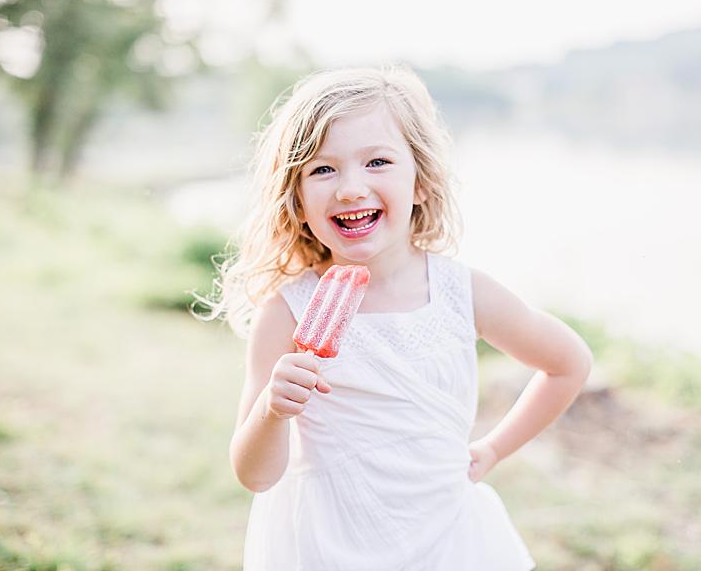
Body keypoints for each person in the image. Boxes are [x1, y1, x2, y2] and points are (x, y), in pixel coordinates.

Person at [208, 65, 593, 570]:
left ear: (421, 184)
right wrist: (272, 410)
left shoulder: (462, 293)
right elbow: (255, 476)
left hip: (447, 541)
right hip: (329, 546)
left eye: (377, 162)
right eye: (322, 169)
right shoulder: (287, 312)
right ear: (297, 200)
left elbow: (569, 363)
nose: (350, 188)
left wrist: (494, 449)